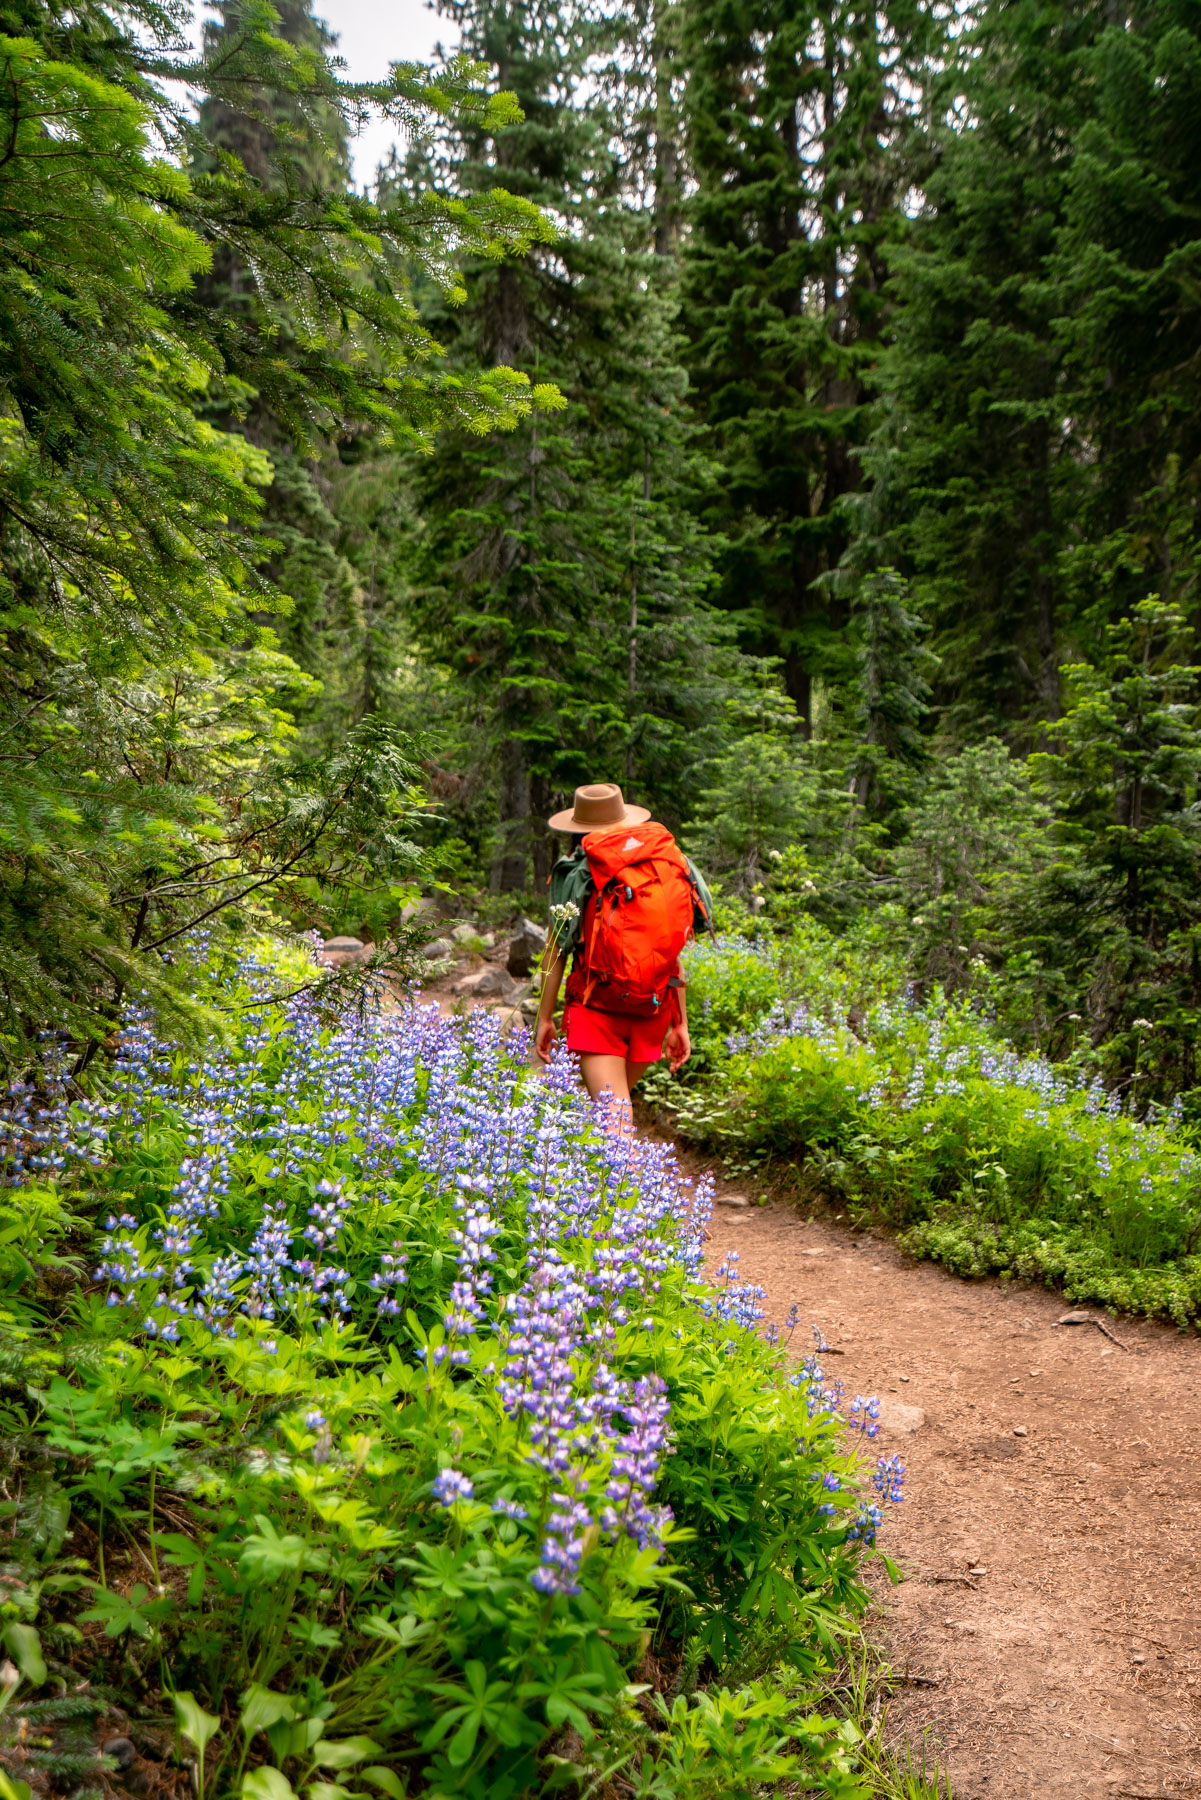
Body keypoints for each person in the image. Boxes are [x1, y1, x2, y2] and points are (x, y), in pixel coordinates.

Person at [533, 782, 714, 1129]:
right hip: (652, 1010)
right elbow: (667, 947)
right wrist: (680, 1024)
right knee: (611, 1113)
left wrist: (544, 1018)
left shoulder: (576, 873)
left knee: (614, 1125)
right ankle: (590, 1174)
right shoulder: (661, 863)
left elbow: (555, 949)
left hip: (597, 1010)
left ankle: (619, 1180)